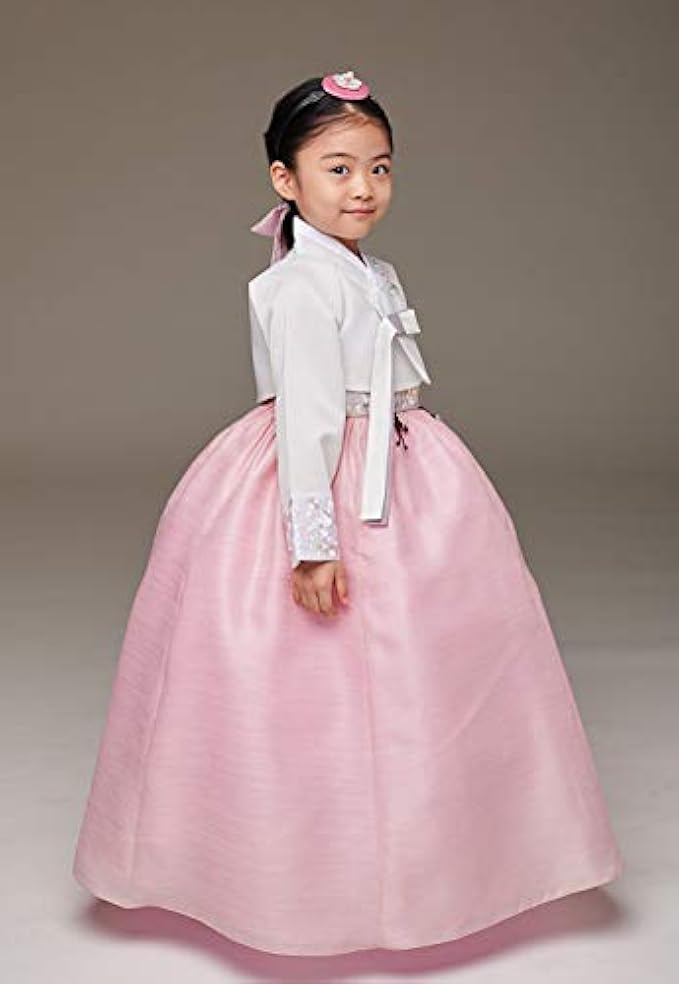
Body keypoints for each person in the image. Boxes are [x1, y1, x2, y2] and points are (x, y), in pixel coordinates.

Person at [72, 70, 623, 957]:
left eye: (379, 167)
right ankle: (296, 870)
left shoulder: (368, 269)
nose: (362, 187)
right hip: (325, 473)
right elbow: (309, 417)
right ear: (284, 179)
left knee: (433, 660)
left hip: (399, 463)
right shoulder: (299, 284)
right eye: (337, 168)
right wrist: (312, 543)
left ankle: (441, 856)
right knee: (305, 677)